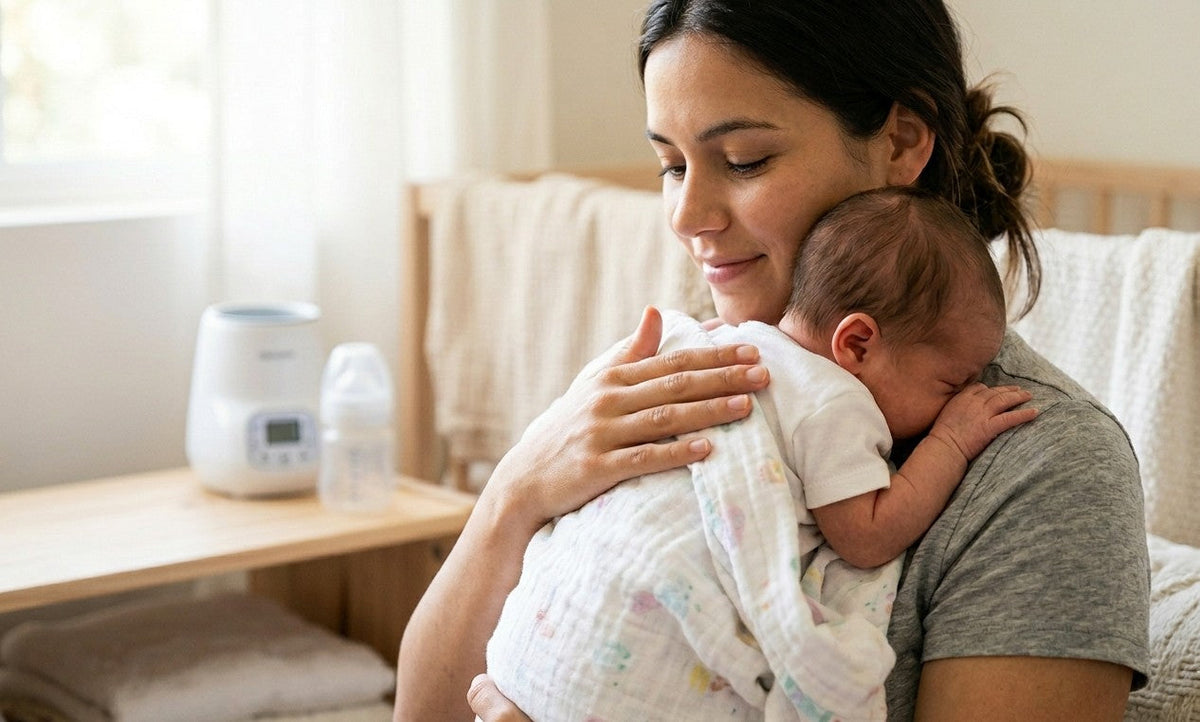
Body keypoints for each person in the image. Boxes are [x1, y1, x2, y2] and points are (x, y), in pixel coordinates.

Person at [394, 1, 1151, 720]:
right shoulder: (672, 371)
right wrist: (516, 493)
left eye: (745, 160)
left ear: (900, 142)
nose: (689, 217)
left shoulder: (1040, 466)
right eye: (671, 166)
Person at [484, 187, 1040, 721]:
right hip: (640, 625)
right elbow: (866, 534)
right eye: (949, 385)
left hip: (535, 650)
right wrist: (951, 441)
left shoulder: (724, 342)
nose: (957, 401)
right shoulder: (832, 398)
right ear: (857, 344)